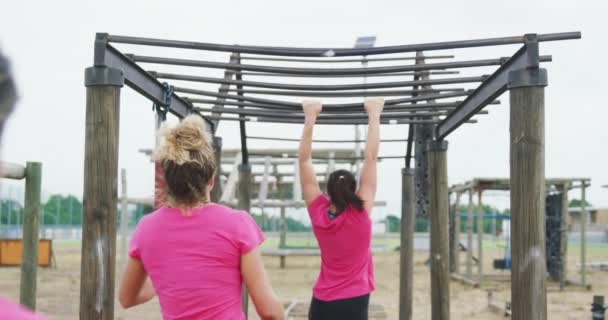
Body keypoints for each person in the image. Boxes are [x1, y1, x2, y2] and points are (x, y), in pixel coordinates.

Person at [119, 115, 284, 320]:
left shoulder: (146, 228)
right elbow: (268, 310)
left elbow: (127, 298)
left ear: (167, 182)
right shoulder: (237, 224)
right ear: (211, 180)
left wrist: (169, 280)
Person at [298, 98, 384, 320]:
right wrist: (374, 113)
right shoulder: (361, 211)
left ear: (328, 191)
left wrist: (310, 117)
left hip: (322, 304)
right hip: (354, 303)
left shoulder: (319, 213)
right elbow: (371, 158)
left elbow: (304, 161)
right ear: (354, 189)